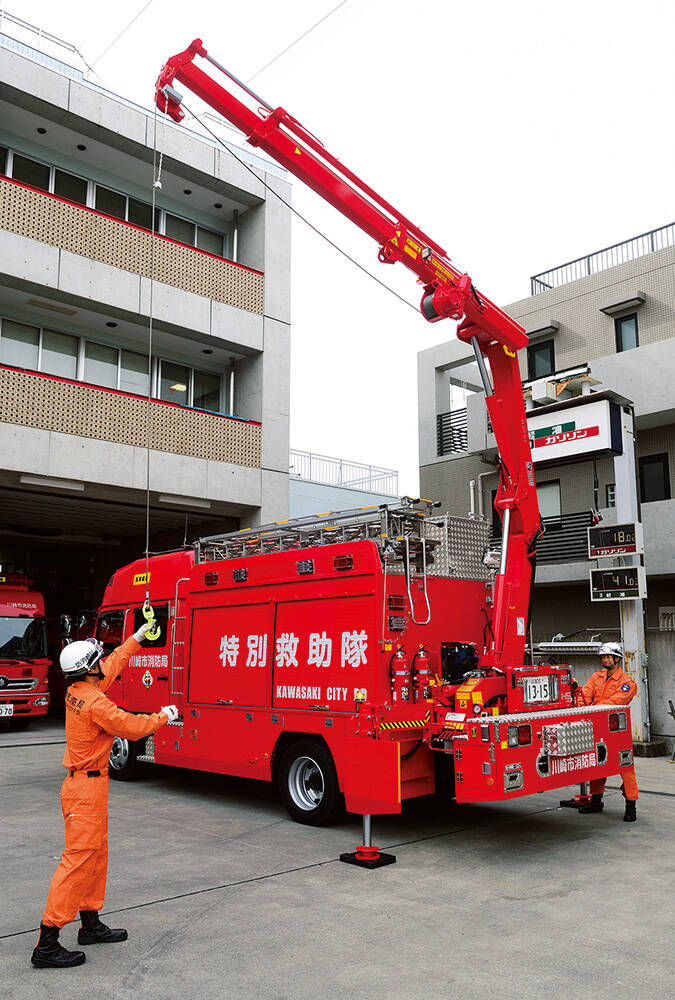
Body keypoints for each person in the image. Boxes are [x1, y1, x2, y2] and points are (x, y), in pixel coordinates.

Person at [31, 620, 179, 969]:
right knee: (78, 860)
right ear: (87, 669)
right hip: (85, 788)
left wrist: (138, 638)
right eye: (96, 658)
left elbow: (111, 665)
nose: (102, 661)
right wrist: (163, 716)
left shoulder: (81, 690)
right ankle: (47, 941)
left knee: (95, 857)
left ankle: (91, 924)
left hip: (88, 787)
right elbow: (130, 725)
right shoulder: (96, 705)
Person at [572, 642, 638, 823]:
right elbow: (584, 695)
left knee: (625, 769)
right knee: (597, 766)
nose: (605, 660)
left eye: (608, 657)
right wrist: (580, 707)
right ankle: (596, 802)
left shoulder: (627, 683)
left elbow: (616, 701)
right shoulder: (596, 677)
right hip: (596, 727)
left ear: (617, 659)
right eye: (603, 657)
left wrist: (593, 709)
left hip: (616, 731)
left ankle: (631, 806)